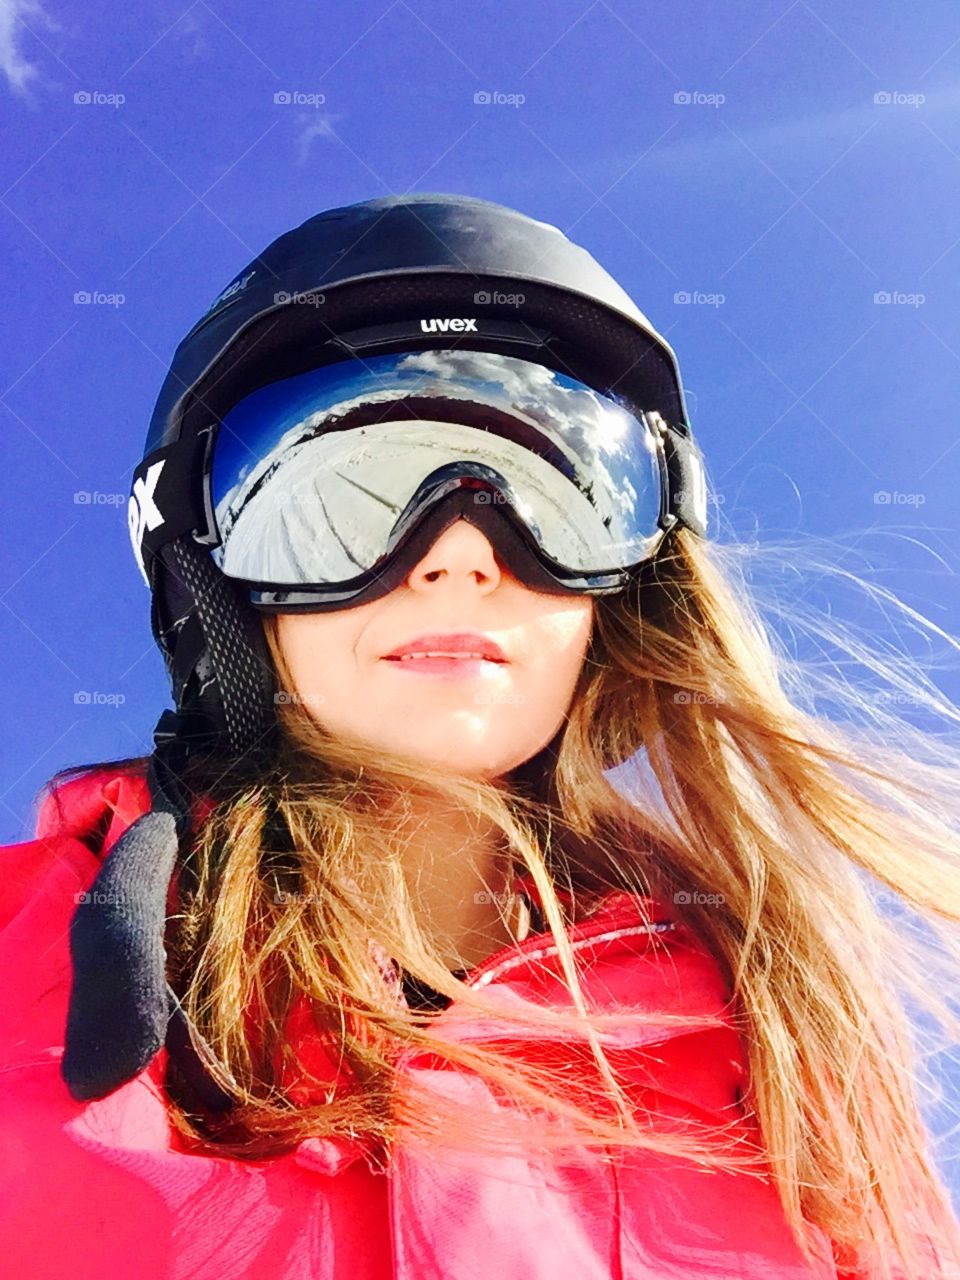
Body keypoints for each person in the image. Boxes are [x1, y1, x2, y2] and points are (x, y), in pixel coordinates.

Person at [1, 193, 959, 1280]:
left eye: (559, 496)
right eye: (339, 502)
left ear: (631, 584)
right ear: (213, 583)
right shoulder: (14, 962)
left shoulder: (779, 1036)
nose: (458, 557)